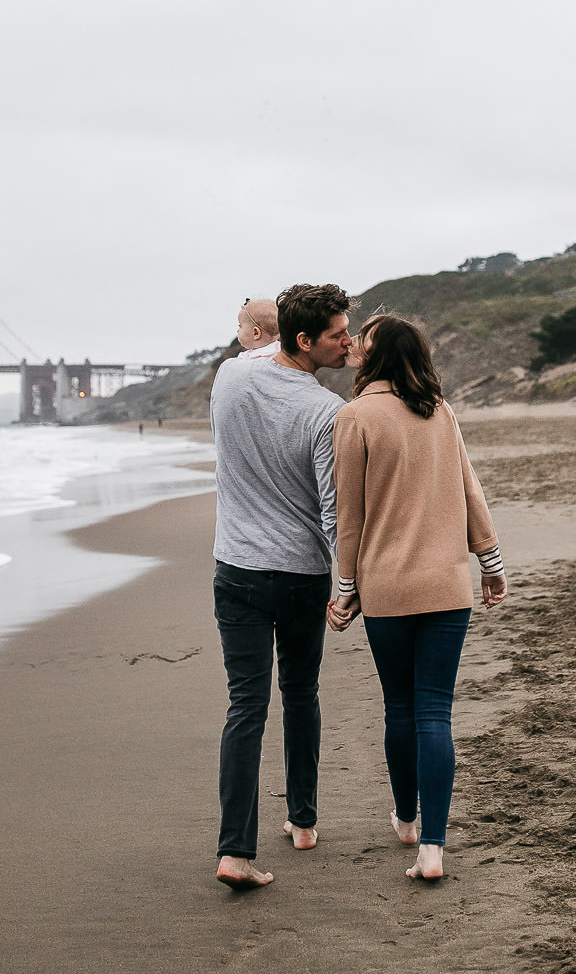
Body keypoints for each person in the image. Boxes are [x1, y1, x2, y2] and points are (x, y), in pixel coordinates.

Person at [327, 314, 506, 882]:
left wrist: (346, 588)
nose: (353, 344)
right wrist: (491, 561)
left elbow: (348, 516)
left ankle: (406, 818)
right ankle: (432, 848)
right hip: (448, 587)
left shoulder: (354, 418)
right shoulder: (441, 411)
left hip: (387, 588)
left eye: (364, 339)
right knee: (435, 712)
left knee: (401, 709)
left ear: (379, 355)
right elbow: (469, 487)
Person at [210, 283, 354, 889]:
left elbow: (252, 340)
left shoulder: (228, 378)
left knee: (246, 707)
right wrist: (346, 583)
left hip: (236, 569)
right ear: (303, 340)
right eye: (336, 334)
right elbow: (331, 509)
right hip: (299, 575)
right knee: (301, 695)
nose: (347, 342)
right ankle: (301, 822)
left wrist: (258, 326)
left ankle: (235, 853)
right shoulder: (326, 411)